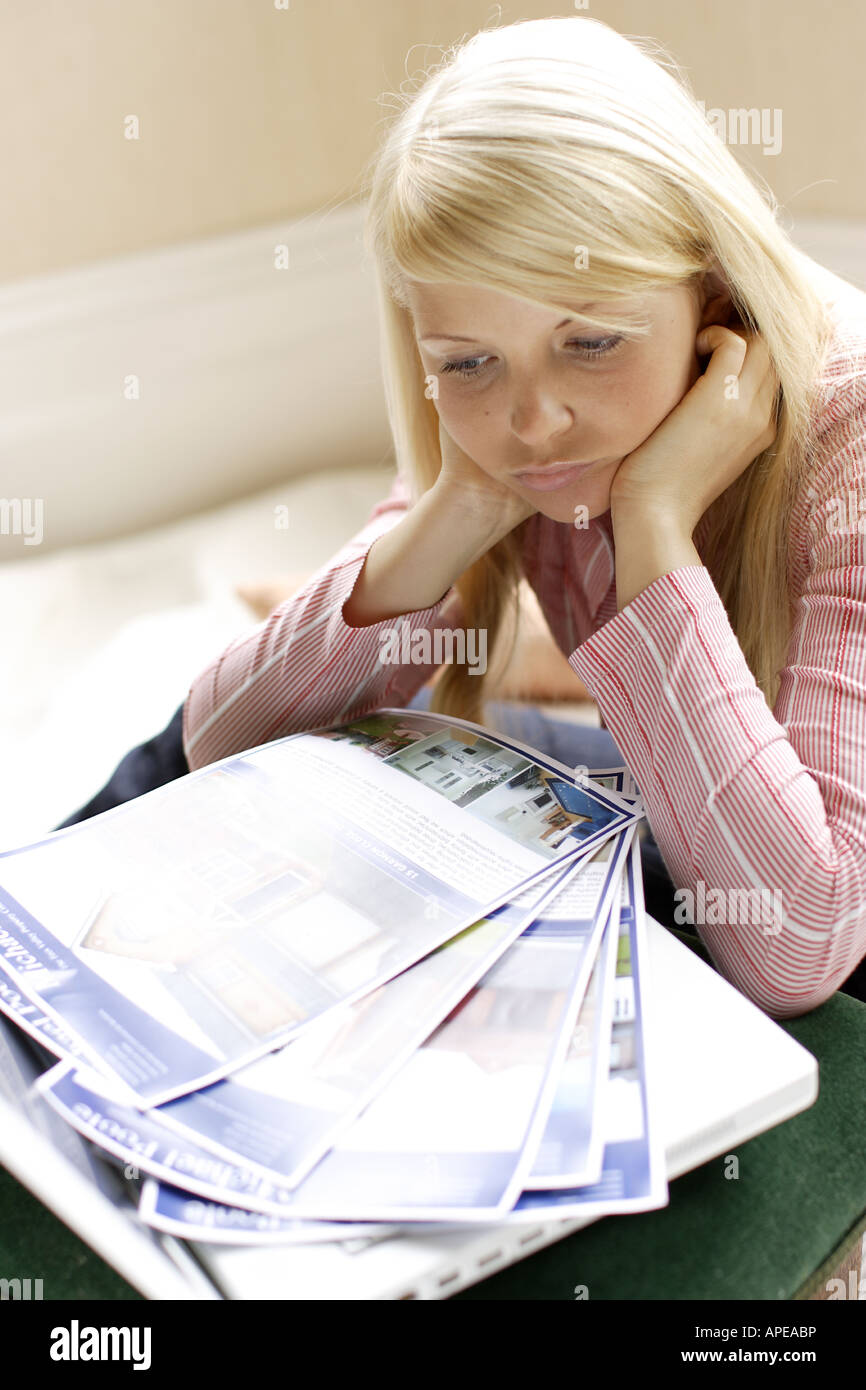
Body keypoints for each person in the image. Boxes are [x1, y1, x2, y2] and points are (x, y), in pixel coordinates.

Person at [58, 16, 866, 1015]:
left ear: (710, 288)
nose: (533, 419)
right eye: (469, 359)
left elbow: (798, 949)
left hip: (827, 900)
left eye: (592, 341)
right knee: (202, 748)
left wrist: (652, 524)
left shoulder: (849, 438)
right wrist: (459, 500)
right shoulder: (508, 439)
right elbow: (216, 748)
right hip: (718, 788)